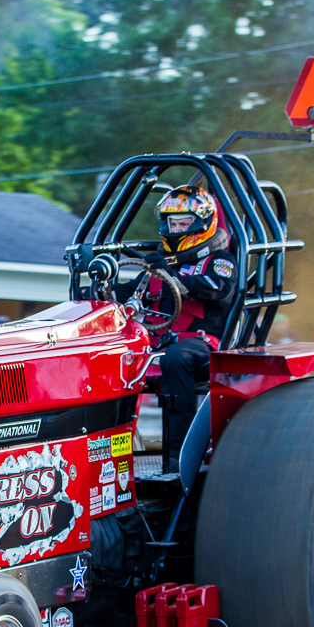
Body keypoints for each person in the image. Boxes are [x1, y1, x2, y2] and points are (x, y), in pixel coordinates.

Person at [118, 185, 238, 470]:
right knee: (114, 357)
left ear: (202, 224)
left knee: (176, 358)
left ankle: (177, 455)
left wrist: (169, 274)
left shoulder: (220, 260)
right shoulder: (160, 265)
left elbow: (216, 288)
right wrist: (99, 289)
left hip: (204, 343)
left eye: (184, 223)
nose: (177, 229)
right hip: (160, 341)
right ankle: (115, 451)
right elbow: (130, 291)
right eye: (173, 223)